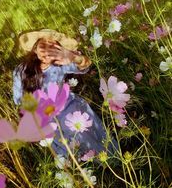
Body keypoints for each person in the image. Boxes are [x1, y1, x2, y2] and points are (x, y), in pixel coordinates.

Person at [12, 29, 118, 159]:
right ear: (34, 49)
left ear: (59, 50)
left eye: (53, 47)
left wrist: (73, 57)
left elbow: (85, 65)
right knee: (69, 144)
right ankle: (88, 166)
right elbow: (18, 100)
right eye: (42, 46)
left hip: (68, 105)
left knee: (86, 131)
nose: (47, 51)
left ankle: (112, 159)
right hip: (44, 117)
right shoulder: (21, 70)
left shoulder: (59, 64)